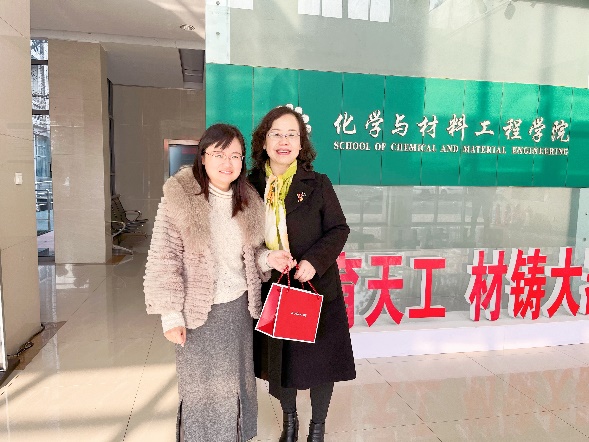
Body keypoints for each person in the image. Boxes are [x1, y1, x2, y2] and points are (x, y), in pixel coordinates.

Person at [144, 123, 293, 442]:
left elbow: (251, 255)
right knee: (200, 388)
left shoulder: (248, 199)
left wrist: (270, 258)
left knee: (236, 383)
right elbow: (164, 257)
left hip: (238, 309)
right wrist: (170, 316)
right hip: (197, 312)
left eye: (236, 156)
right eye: (219, 154)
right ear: (203, 157)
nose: (228, 162)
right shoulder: (180, 197)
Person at [249, 106, 356, 442]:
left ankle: (317, 427)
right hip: (273, 287)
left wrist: (314, 260)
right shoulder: (249, 186)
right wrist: (267, 257)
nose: (284, 142)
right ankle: (290, 421)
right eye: (276, 134)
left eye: (291, 135)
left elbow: (339, 229)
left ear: (300, 143)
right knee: (282, 364)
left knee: (322, 363)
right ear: (264, 141)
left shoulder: (317, 183)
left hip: (316, 286)